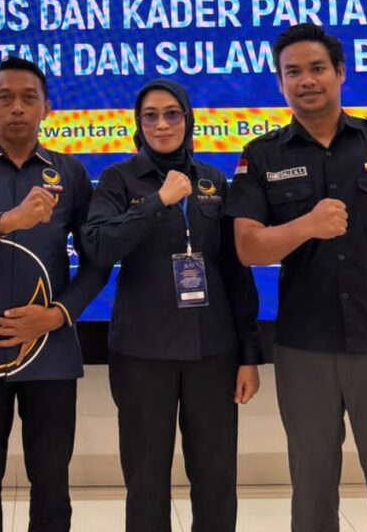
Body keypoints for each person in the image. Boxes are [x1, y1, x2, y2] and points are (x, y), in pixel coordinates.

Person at [226, 23, 367, 532]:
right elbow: (247, 247)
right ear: (280, 83)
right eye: (293, 72)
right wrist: (306, 226)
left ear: (340, 73)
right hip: (306, 344)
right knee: (311, 490)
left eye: (317, 68)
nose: (306, 80)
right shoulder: (262, 155)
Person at [0, 56, 109, 532]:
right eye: (5, 98)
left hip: (50, 351)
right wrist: (6, 221)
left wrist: (59, 314)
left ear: (47, 108)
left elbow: (97, 261)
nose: (17, 108)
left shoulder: (69, 172)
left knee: (51, 486)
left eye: (29, 98)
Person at [80, 79, 262, 532]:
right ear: (138, 124)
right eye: (151, 116)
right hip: (142, 353)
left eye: (172, 114)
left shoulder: (213, 181)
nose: (162, 124)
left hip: (213, 351)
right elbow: (99, 246)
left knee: (216, 479)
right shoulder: (118, 180)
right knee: (145, 481)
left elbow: (235, 270)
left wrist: (249, 354)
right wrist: (157, 202)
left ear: (187, 119)